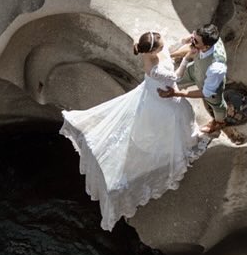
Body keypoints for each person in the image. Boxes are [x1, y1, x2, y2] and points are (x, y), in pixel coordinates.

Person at [60, 30, 210, 231]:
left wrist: (185, 40)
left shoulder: (150, 53)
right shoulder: (154, 69)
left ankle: (183, 139)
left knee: (164, 122)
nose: (164, 45)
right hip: (162, 100)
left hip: (152, 95)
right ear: (153, 51)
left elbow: (169, 47)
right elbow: (175, 76)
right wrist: (187, 58)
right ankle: (187, 142)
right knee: (179, 118)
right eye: (160, 45)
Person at [160, 24, 229, 134]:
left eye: (195, 41)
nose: (192, 40)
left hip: (208, 84)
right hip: (194, 69)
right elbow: (191, 47)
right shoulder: (205, 38)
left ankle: (219, 123)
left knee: (217, 105)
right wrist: (170, 55)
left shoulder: (216, 68)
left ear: (206, 47)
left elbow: (205, 92)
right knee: (172, 81)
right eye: (194, 36)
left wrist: (177, 93)